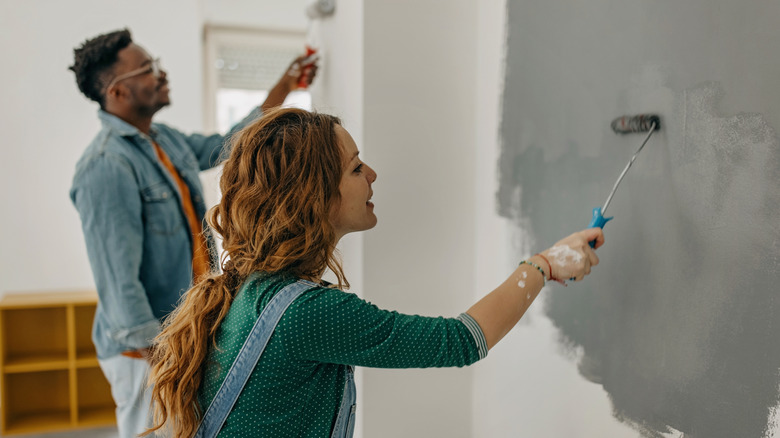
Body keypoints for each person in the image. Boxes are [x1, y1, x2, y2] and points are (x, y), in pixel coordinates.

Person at [145, 108, 605, 437]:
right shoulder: (306, 313)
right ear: (315, 196)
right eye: (355, 167)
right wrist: (542, 265)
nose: (373, 175)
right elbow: (463, 340)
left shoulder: (252, 287)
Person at [68, 29, 317, 438]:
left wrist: (285, 85)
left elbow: (232, 142)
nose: (161, 74)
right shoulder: (105, 166)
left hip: (180, 337)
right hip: (145, 350)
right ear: (117, 92)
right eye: (148, 69)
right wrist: (166, 358)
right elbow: (119, 285)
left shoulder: (163, 140)